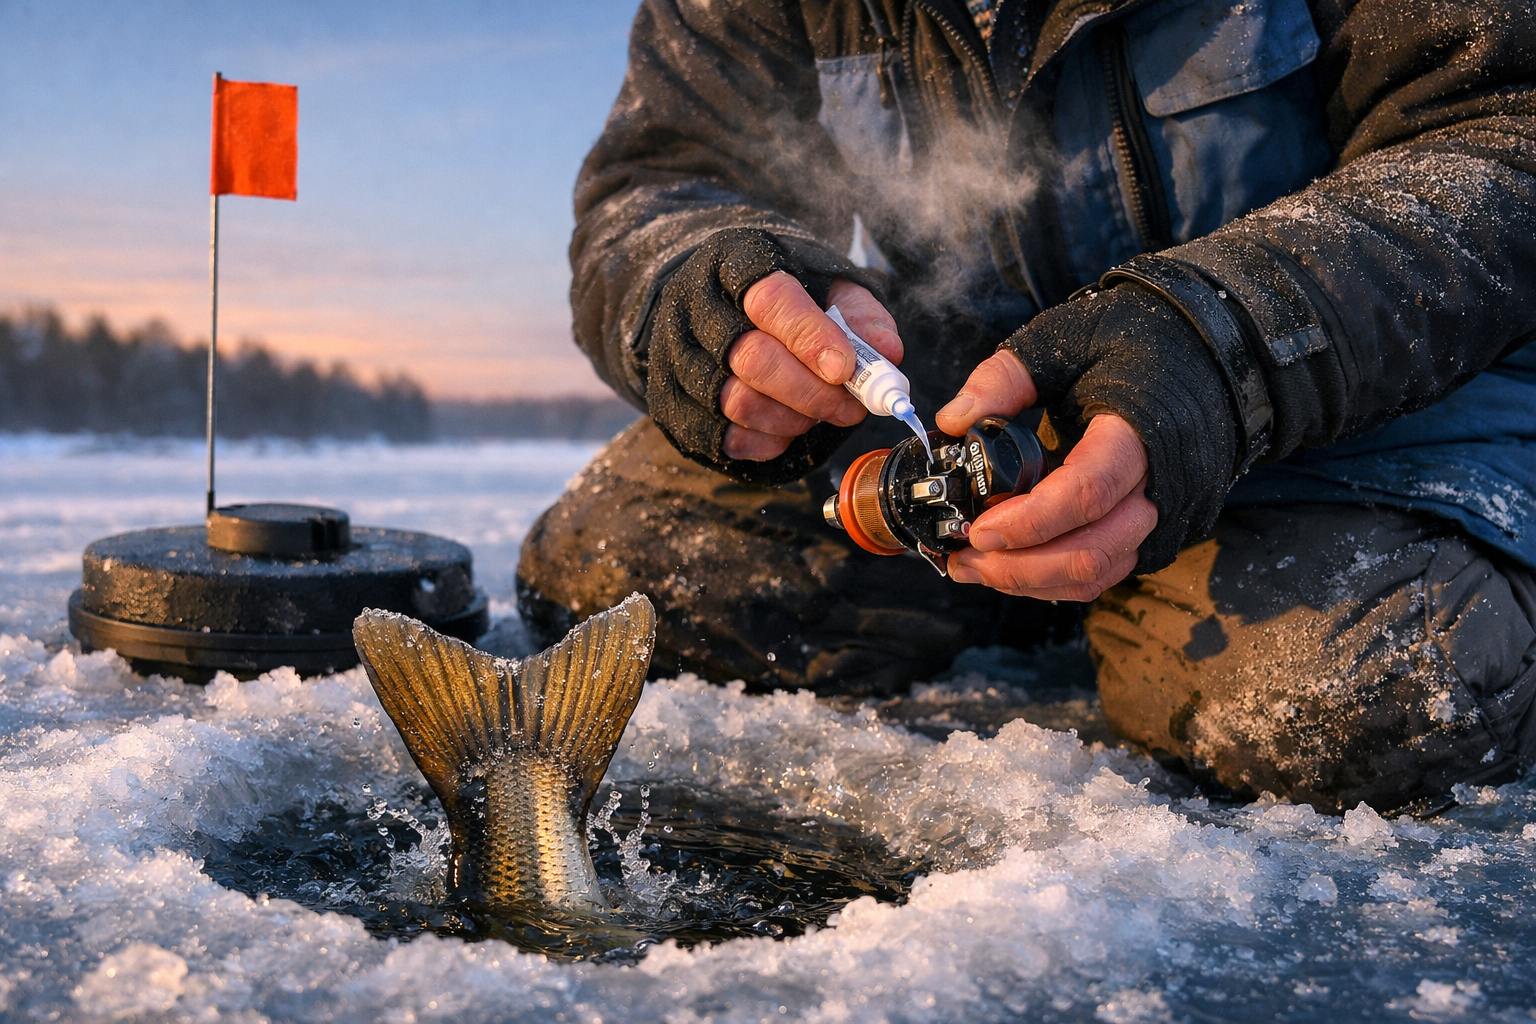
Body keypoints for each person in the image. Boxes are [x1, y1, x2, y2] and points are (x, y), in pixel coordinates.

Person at [518, 0, 1536, 813]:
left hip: (1342, 393)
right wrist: (704, 296)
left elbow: (1504, 134)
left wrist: (1228, 341)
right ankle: (1041, 575)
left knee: (1361, 699)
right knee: (619, 578)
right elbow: (657, 188)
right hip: (971, 394)